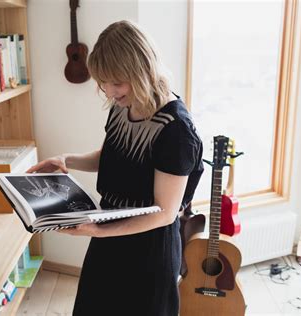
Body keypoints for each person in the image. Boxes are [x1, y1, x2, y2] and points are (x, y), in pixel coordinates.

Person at [27, 20, 204, 316]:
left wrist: (98, 230)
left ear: (143, 70)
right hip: (108, 233)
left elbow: (164, 212)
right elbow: (113, 156)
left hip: (149, 249)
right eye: (103, 82)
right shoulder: (124, 104)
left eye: (117, 82)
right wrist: (66, 160)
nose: (109, 91)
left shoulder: (176, 131)